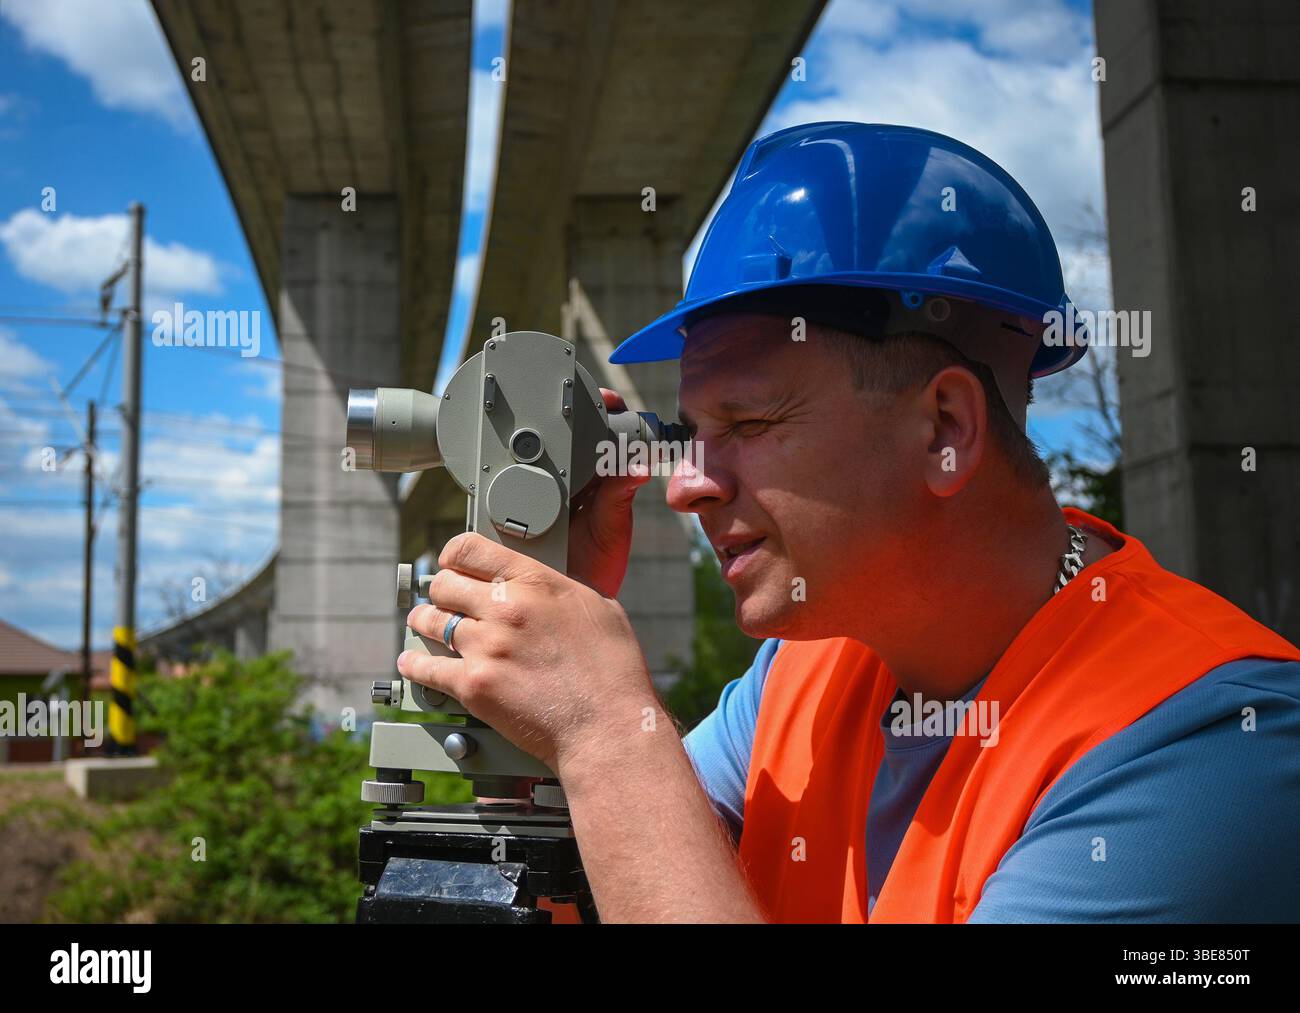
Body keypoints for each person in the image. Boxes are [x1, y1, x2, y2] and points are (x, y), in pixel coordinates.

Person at [396, 122, 1300, 922]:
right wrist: (563, 649)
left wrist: (602, 730)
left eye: (748, 425)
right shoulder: (805, 665)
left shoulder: (1210, 753)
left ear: (945, 430)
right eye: (688, 433)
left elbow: (632, 796)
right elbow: (635, 871)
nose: (685, 486)